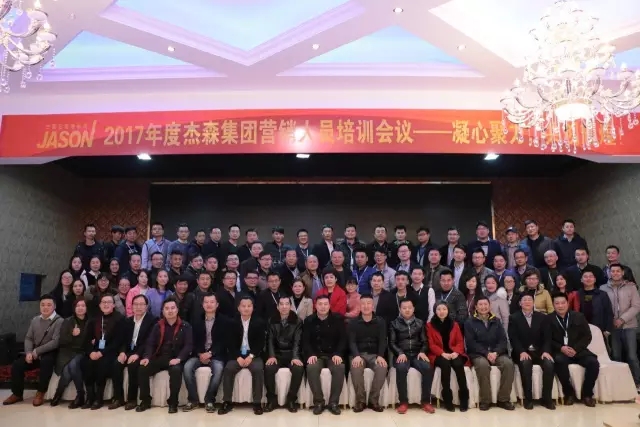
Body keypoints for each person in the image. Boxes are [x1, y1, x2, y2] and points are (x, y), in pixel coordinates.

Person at [137, 298, 193, 414]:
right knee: (143, 368)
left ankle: (173, 402)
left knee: (176, 371)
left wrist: (179, 359)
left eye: (173, 308)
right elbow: (150, 343)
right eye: (167, 308)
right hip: (160, 357)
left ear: (177, 310)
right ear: (162, 311)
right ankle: (145, 401)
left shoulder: (185, 326)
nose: (170, 311)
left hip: (175, 358)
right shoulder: (157, 326)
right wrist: (147, 357)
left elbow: (188, 345)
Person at [464, 295, 515, 411]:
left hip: (497, 353)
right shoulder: (469, 322)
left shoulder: (496, 321)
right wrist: (486, 353)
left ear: (489, 306)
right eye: (480, 305)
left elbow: (503, 340)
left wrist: (496, 352)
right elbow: (471, 343)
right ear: (476, 307)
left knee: (508, 364)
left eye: (485, 304)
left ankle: (503, 399)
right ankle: (485, 400)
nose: (483, 307)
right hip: (478, 354)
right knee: (483, 366)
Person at [549, 292, 600, 407]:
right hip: (561, 351)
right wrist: (561, 348)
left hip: (578, 351)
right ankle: (569, 394)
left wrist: (575, 349)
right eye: (557, 303)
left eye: (563, 303)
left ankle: (587, 394)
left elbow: (587, 336)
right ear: (553, 305)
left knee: (593, 363)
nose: (560, 306)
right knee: (559, 361)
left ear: (567, 303)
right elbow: (547, 339)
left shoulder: (579, 316)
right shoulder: (549, 319)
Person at [219, 297, 266, 415]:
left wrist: (251, 356)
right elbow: (229, 342)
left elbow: (260, 343)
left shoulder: (259, 322)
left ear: (253, 308)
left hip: (253, 354)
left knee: (258, 369)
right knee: (229, 369)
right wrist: (237, 357)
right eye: (243, 306)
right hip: (237, 354)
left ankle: (257, 402)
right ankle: (227, 401)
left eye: (249, 306)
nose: (246, 308)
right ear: (238, 308)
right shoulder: (232, 322)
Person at [508, 294, 556, 410]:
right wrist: (521, 351)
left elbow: (547, 337)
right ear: (520, 303)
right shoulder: (514, 317)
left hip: (540, 352)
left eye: (530, 299)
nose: (527, 302)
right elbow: (513, 338)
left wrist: (546, 351)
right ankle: (528, 399)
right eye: (524, 300)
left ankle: (547, 399)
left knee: (549, 364)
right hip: (522, 351)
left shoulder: (542, 317)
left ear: (533, 302)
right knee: (525, 364)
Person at [183, 293, 229, 413]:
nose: (209, 304)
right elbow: (192, 341)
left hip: (216, 355)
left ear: (217, 304)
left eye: (212, 302)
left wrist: (211, 353)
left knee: (218, 369)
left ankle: (210, 400)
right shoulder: (196, 320)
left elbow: (224, 342)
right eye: (206, 302)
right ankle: (193, 400)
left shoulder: (224, 320)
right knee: (187, 367)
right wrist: (200, 354)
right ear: (202, 305)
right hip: (199, 354)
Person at [389, 299, 435, 414]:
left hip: (417, 354)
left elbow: (425, 341)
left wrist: (423, 351)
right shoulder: (394, 323)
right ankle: (403, 402)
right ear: (400, 309)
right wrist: (400, 353)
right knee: (401, 368)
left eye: (409, 307)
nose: (407, 310)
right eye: (404, 308)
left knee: (428, 368)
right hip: (402, 354)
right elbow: (392, 343)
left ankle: (425, 401)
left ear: (413, 309)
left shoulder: (420, 323)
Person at [303, 295, 347, 415]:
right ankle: (319, 402)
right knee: (311, 367)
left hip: (333, 354)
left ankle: (333, 403)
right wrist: (311, 354)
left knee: (339, 367)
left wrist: (338, 354)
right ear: (315, 306)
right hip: (316, 355)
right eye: (320, 304)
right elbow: (305, 341)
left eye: (325, 304)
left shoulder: (337, 319)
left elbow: (343, 339)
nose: (323, 307)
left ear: (329, 305)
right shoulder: (309, 320)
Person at [82, 294, 125, 409]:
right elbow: (86, 339)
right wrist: (91, 352)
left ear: (114, 305)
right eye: (103, 302)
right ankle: (90, 397)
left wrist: (102, 353)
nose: (106, 304)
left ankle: (99, 398)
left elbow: (118, 341)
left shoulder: (120, 319)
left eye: (109, 302)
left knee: (102, 363)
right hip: (95, 351)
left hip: (111, 351)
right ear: (100, 305)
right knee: (86, 363)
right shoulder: (94, 319)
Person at [601, 263, 640, 390]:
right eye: (612, 271)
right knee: (616, 356)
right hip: (613, 327)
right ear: (609, 273)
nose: (615, 273)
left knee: (632, 356)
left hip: (629, 326)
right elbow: (604, 308)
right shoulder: (603, 288)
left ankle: (637, 382)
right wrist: (611, 321)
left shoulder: (631, 287)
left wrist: (622, 319)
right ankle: (620, 384)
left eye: (618, 271)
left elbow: (636, 306)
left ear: (622, 273)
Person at [347, 295, 388, 413]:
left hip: (375, 355)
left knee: (382, 367)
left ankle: (373, 400)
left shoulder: (380, 322)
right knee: (356, 367)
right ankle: (360, 401)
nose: (366, 306)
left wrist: (380, 355)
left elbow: (383, 340)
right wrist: (356, 355)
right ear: (359, 306)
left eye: (368, 303)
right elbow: (352, 341)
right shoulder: (353, 322)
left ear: (373, 306)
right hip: (359, 355)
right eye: (363, 304)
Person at [427, 301, 469, 412]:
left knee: (458, 364)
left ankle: (464, 397)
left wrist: (456, 352)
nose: (441, 312)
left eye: (444, 309)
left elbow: (460, 341)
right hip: (438, 354)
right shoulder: (430, 325)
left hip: (454, 352)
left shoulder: (454, 324)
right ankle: (447, 398)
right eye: (439, 309)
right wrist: (442, 353)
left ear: (448, 310)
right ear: (435, 311)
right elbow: (431, 344)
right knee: (445, 365)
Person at [264, 296, 304, 413]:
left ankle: (291, 399)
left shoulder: (297, 321)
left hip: (291, 353)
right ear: (278, 307)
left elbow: (297, 341)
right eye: (281, 304)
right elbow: (270, 340)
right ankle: (271, 400)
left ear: (291, 306)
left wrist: (295, 356)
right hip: (277, 354)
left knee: (298, 368)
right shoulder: (272, 320)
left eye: (287, 304)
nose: (284, 306)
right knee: (269, 368)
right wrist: (272, 356)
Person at [51, 298, 89, 408]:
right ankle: (79, 395)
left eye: (83, 306)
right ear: (74, 308)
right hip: (67, 352)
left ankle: (69, 394)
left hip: (82, 351)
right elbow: (62, 340)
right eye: (78, 306)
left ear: (86, 308)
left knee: (72, 365)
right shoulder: (68, 321)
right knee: (67, 370)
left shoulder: (90, 321)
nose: (80, 308)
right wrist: (72, 335)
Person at [577, 266, 614, 334]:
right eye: (585, 277)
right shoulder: (577, 294)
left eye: (591, 276)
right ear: (581, 280)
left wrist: (607, 330)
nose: (588, 278)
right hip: (581, 330)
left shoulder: (602, 294)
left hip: (599, 329)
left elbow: (608, 313)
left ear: (595, 279)